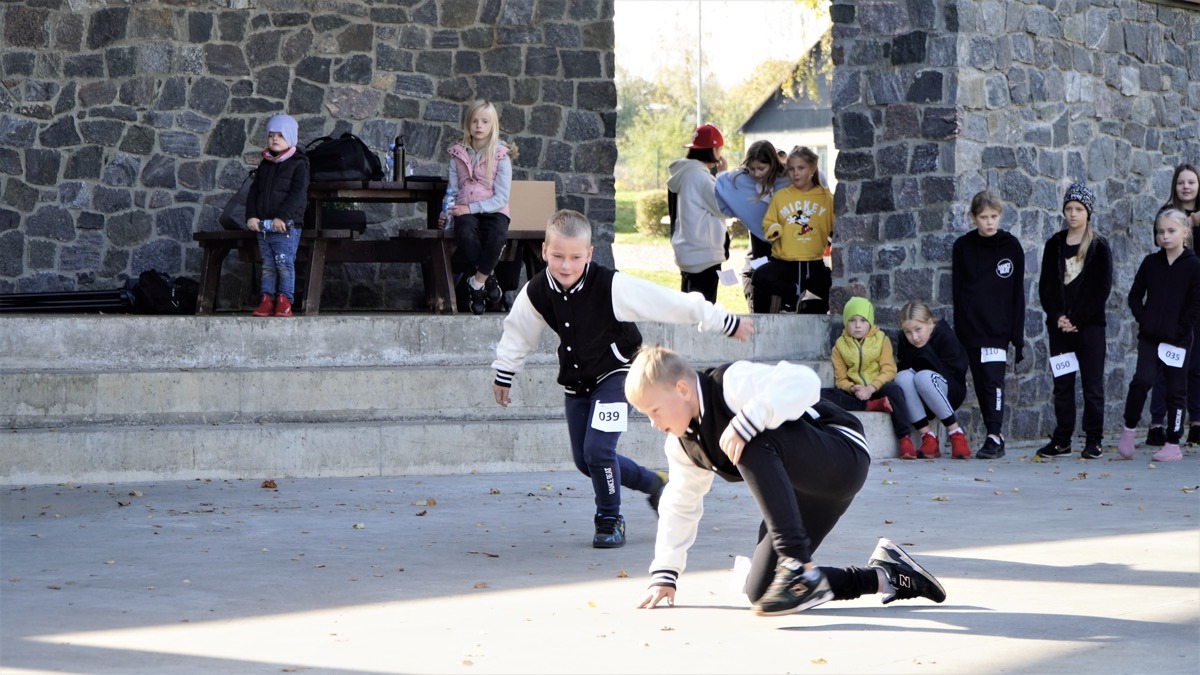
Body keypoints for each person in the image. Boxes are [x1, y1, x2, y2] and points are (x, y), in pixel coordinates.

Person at [492, 209, 754, 549]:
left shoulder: (611, 286)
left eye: (575, 257)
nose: (566, 266)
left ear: (590, 254)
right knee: (586, 460)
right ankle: (654, 483)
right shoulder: (537, 291)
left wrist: (724, 321)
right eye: (557, 256)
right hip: (578, 382)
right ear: (544, 251)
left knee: (599, 450)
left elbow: (669, 302)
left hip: (619, 375)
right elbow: (518, 332)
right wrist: (505, 373)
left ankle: (609, 518)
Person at [625, 345, 946, 616]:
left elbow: (804, 380)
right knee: (764, 591)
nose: (652, 423)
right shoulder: (683, 444)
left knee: (745, 435)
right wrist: (665, 572)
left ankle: (796, 562)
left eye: (654, 410)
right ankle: (886, 576)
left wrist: (749, 419)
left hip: (841, 452)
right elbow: (680, 504)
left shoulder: (730, 383)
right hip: (804, 493)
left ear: (682, 390)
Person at [1036, 183, 1113, 460]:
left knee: (1092, 385)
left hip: (1089, 327)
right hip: (1060, 330)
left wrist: (1077, 318)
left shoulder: (1099, 246)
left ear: (1087, 212)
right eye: (1068, 208)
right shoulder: (1054, 244)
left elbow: (1100, 289)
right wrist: (1058, 316)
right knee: (1063, 385)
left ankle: (1094, 439)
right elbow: (1046, 286)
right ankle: (1062, 439)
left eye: (1078, 209)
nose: (1072, 214)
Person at [1117, 208, 1200, 463]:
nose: (1165, 236)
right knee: (1142, 380)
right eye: (1160, 231)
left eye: (1171, 231)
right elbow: (1134, 296)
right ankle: (1129, 431)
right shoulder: (1150, 263)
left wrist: (1180, 330)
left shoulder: (1194, 266)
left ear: (1185, 232)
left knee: (1176, 390)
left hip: (1178, 341)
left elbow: (1195, 304)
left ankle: (1173, 443)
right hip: (1151, 338)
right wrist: (1145, 320)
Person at [951, 191, 1025, 459]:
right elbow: (958, 291)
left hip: (998, 330)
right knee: (982, 382)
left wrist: (1017, 336)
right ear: (973, 218)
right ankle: (994, 437)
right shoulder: (962, 247)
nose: (989, 222)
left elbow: (1017, 293)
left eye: (994, 216)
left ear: (1000, 215)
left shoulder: (1011, 246)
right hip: (972, 329)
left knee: (994, 382)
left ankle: (994, 435)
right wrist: (961, 330)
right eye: (983, 217)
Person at [819, 296, 916, 458]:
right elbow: (840, 379)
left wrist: (871, 388)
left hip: (878, 388)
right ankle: (870, 405)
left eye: (863, 320)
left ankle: (905, 439)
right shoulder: (840, 346)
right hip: (856, 392)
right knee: (822, 395)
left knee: (894, 390)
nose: (858, 325)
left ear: (870, 322)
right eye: (852, 320)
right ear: (845, 322)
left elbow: (889, 370)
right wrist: (852, 388)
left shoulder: (882, 340)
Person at [443, 99, 513, 315]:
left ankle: (476, 283)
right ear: (468, 124)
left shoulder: (501, 156)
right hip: (465, 207)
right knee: (464, 231)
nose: (479, 126)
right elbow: (452, 191)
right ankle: (489, 279)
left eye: (484, 122)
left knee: (497, 236)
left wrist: (471, 209)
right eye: (474, 121)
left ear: (493, 125)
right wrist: (446, 214)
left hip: (494, 210)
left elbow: (502, 197)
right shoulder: (457, 154)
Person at [1147, 164, 1200, 445]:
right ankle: (1158, 423)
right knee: (1163, 364)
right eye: (1181, 182)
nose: (1186, 187)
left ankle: (1196, 422)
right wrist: (1188, 222)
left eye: (1191, 182)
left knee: (1195, 364)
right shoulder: (1166, 213)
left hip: (1196, 300)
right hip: (1170, 301)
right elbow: (1160, 243)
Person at [754, 146, 833, 314]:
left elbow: (836, 228)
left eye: (801, 168)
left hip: (814, 265)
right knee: (759, 277)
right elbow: (768, 222)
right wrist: (774, 229)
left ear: (813, 168)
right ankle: (794, 294)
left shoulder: (826, 198)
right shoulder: (780, 196)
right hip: (784, 264)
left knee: (837, 292)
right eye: (791, 169)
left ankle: (805, 305)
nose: (795, 173)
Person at [245, 114, 310, 318]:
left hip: (286, 226)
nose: (274, 139)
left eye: (280, 135)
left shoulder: (299, 164)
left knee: (284, 264)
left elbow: (297, 194)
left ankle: (284, 300)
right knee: (268, 266)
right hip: (264, 226)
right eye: (271, 135)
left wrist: (282, 216)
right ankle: (267, 299)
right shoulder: (266, 164)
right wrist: (251, 216)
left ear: (290, 137)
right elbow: (254, 192)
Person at [714, 140, 790, 310]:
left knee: (783, 291)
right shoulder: (741, 180)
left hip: (787, 245)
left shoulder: (786, 179)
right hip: (759, 244)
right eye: (752, 169)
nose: (756, 173)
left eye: (761, 168)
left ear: (773, 164)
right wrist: (722, 173)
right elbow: (722, 188)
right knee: (759, 286)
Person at [895, 302, 971, 459]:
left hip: (949, 391)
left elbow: (956, 371)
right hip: (919, 396)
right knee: (902, 377)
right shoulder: (904, 341)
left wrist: (924, 356)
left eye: (918, 329)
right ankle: (928, 437)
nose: (914, 337)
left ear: (930, 323)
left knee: (922, 377)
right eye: (908, 332)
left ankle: (956, 434)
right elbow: (905, 366)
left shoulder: (944, 335)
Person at [667, 124, 729, 303]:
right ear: (714, 150)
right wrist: (723, 175)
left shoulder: (684, 174)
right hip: (704, 256)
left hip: (687, 253)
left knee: (689, 309)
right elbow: (723, 208)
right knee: (703, 312)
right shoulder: (700, 177)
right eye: (719, 149)